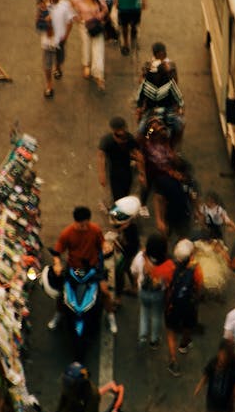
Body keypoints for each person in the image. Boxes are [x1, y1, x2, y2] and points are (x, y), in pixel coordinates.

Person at [48, 206, 117, 334]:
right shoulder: (67, 233)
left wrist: (105, 246)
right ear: (76, 222)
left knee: (105, 292)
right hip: (75, 269)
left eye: (86, 224)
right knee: (61, 294)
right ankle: (58, 314)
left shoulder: (95, 230)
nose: (85, 227)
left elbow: (101, 243)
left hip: (93, 268)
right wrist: (57, 264)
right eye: (82, 225)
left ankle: (110, 315)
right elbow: (57, 252)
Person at [164, 239, 204, 377]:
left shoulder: (170, 266)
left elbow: (166, 284)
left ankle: (173, 360)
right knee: (188, 325)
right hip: (189, 305)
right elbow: (199, 287)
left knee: (170, 330)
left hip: (173, 304)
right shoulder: (196, 269)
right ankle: (183, 345)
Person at [130, 233, 175, 349]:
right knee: (156, 316)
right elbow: (171, 280)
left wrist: (136, 283)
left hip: (143, 292)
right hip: (158, 294)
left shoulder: (141, 257)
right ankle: (154, 340)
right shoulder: (168, 263)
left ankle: (142, 337)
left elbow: (133, 271)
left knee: (144, 312)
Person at [70, 0, 108, 91]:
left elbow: (105, 9)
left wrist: (100, 16)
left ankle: (99, 77)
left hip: (96, 27)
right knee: (86, 47)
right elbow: (69, 7)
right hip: (84, 27)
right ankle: (86, 65)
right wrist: (76, 17)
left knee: (98, 50)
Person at [38, 0, 74, 99]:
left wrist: (66, 36)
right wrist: (45, 21)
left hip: (60, 40)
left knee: (60, 59)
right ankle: (49, 85)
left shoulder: (66, 5)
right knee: (47, 65)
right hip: (47, 41)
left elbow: (69, 22)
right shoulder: (44, 4)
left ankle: (58, 68)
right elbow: (38, 22)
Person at [135, 61, 185, 145]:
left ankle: (174, 145)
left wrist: (180, 107)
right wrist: (139, 107)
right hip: (151, 110)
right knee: (141, 131)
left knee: (179, 126)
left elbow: (178, 97)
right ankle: (144, 144)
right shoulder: (147, 82)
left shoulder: (170, 83)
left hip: (168, 109)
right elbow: (140, 97)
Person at [97, 116, 145, 201]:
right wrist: (102, 173)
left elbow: (138, 155)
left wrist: (142, 173)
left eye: (123, 129)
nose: (122, 132)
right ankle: (116, 208)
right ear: (114, 130)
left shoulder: (130, 138)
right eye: (119, 130)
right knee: (117, 196)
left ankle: (120, 208)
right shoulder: (107, 140)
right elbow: (101, 156)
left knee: (125, 193)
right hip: (113, 171)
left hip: (127, 169)